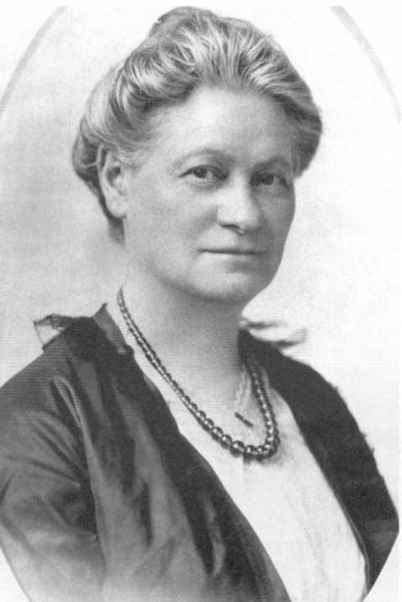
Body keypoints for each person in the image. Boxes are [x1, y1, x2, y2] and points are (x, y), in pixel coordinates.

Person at [0, 6, 397, 602]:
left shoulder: (313, 403)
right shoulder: (39, 427)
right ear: (117, 180)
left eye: (270, 178)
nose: (245, 214)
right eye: (206, 173)